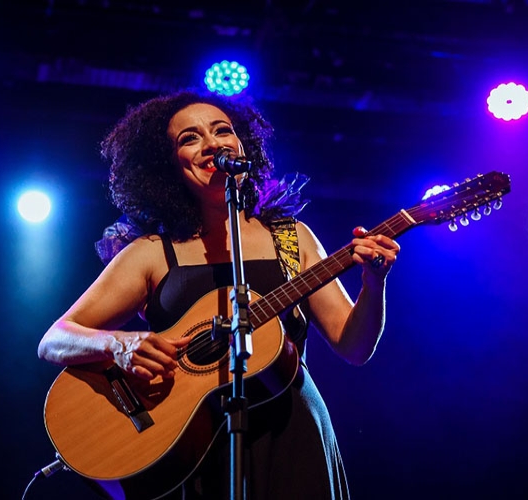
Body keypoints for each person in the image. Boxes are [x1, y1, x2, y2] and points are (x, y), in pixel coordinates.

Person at [37, 87, 400, 500]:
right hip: (188, 445)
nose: (212, 143)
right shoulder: (153, 253)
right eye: (189, 138)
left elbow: (354, 346)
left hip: (292, 434)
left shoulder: (292, 238)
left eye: (222, 130)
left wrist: (374, 283)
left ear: (242, 145)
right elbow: (56, 338)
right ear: (167, 166)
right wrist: (121, 345)